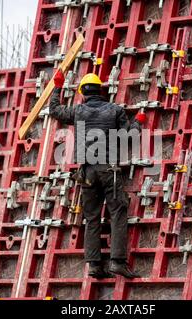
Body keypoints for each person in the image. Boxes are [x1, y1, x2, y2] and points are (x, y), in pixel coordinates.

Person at [48, 69, 147, 279]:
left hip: (87, 172)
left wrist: (57, 86)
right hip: (108, 170)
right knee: (118, 213)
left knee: (91, 217)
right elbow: (130, 137)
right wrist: (138, 120)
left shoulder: (78, 111)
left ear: (83, 92)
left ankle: (94, 265)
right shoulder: (115, 110)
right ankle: (117, 262)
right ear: (101, 90)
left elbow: (54, 110)